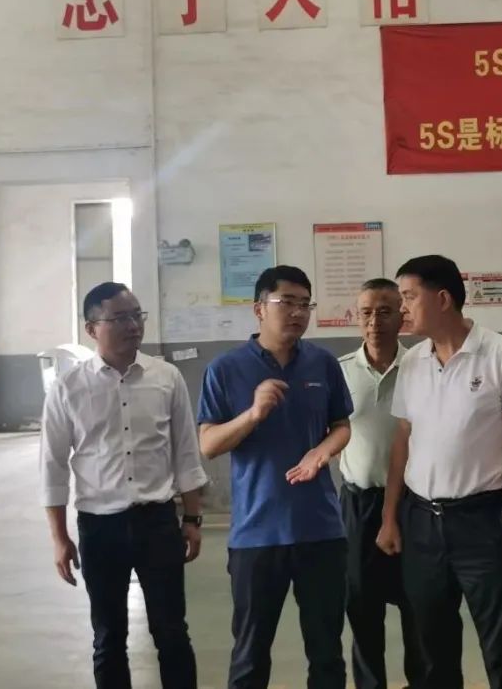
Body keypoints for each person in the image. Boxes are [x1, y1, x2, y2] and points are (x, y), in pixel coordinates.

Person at [377, 255, 502, 689]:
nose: (402, 308)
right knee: (432, 651)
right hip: (421, 524)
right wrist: (391, 517)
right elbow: (402, 442)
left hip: (483, 522)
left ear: (443, 298)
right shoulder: (413, 363)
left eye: (409, 297)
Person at [39, 282, 208, 689]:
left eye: (136, 315)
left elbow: (186, 453)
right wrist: (59, 538)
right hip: (100, 528)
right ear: (91, 328)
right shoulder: (69, 388)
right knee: (109, 637)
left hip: (158, 524)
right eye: (119, 318)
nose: (133, 325)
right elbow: (53, 467)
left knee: (172, 632)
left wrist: (192, 518)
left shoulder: (166, 378)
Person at [197, 265, 353, 689]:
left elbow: (342, 425)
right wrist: (253, 414)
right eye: (288, 302)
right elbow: (208, 444)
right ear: (259, 309)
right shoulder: (225, 369)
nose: (298, 312)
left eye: (305, 304)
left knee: (327, 652)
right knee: (250, 654)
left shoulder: (322, 363)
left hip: (320, 531)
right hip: (256, 535)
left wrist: (322, 451)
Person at [338, 279, 426, 689]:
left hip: (412, 506)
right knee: (362, 607)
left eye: (385, 312)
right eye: (367, 312)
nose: (375, 321)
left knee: (418, 604)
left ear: (402, 316)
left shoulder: (422, 366)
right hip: (357, 506)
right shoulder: (339, 371)